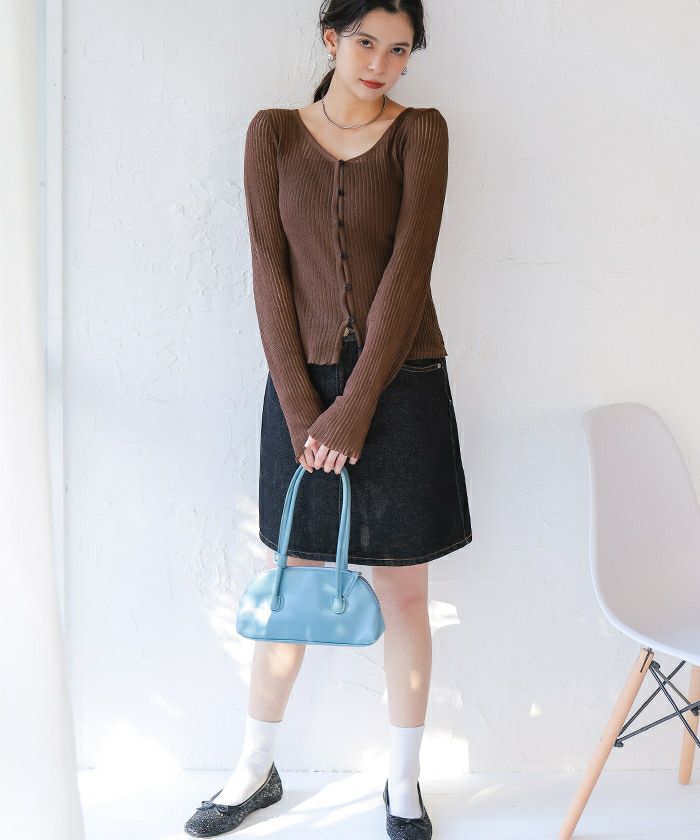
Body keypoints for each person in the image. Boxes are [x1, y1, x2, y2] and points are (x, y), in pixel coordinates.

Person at [184, 2, 472, 838]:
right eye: (365, 43)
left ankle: (404, 782)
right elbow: (266, 270)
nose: (380, 63)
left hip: (403, 383)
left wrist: (356, 406)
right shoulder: (272, 134)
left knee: (406, 593)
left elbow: (410, 272)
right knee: (294, 580)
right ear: (330, 40)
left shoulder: (422, 134)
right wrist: (304, 409)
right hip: (299, 385)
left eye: (399, 49)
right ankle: (253, 769)